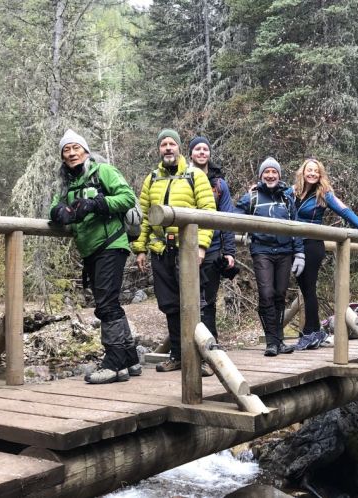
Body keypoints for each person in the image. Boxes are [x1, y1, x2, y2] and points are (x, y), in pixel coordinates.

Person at [50, 129, 141, 384]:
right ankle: (129, 360)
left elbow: (127, 198)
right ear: (62, 156)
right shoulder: (67, 184)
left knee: (106, 305)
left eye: (75, 148)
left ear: (86, 151)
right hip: (89, 248)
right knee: (109, 302)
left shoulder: (104, 171)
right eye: (66, 150)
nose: (71, 153)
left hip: (111, 244)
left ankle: (113, 364)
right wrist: (59, 212)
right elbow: (55, 206)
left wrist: (96, 204)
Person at [132, 129, 216, 373]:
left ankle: (204, 358)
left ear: (179, 148)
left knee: (195, 304)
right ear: (159, 149)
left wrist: (201, 246)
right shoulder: (151, 179)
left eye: (172, 144)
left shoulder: (195, 175)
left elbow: (208, 212)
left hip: (187, 250)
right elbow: (145, 217)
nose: (168, 148)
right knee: (169, 304)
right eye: (163, 144)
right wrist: (140, 249)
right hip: (160, 250)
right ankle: (178, 355)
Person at [287, 157, 358, 350]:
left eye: (316, 171)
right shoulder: (292, 191)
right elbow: (273, 197)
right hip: (295, 245)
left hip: (312, 244)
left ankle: (310, 332)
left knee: (309, 289)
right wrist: (256, 190)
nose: (312, 173)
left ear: (320, 174)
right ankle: (315, 332)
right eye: (309, 170)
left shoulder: (324, 194)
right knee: (304, 288)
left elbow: (344, 211)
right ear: (302, 172)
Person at [234, 157, 305, 356]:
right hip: (262, 251)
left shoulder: (287, 199)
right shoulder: (252, 197)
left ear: (279, 175)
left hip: (284, 251)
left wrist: (299, 252)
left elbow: (296, 227)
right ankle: (271, 342)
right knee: (266, 294)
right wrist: (245, 230)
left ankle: (279, 341)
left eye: (274, 172)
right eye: (267, 172)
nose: (271, 175)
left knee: (280, 294)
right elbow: (233, 216)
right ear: (261, 175)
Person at [188, 136, 237, 345]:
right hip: (185, 246)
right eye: (197, 149)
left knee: (208, 299)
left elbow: (227, 218)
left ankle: (210, 345)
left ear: (209, 154)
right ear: (190, 153)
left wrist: (230, 251)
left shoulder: (219, 184)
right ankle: (187, 346)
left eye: (205, 149)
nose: (201, 152)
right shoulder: (182, 178)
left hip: (213, 248)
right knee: (186, 299)